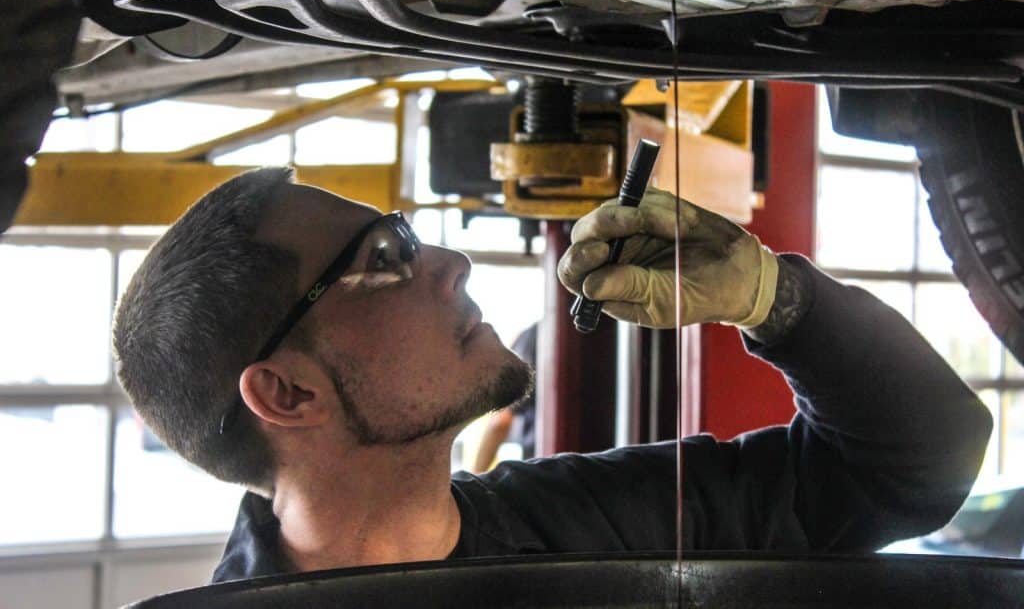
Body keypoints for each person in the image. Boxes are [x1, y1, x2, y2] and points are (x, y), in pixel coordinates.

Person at [111, 168, 991, 583]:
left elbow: (912, 467)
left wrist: (774, 297)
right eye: (381, 259)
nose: (449, 262)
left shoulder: (592, 520)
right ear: (286, 392)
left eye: (409, 234)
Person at [471, 323, 536, 473]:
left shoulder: (535, 336)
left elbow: (500, 423)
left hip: (548, 467)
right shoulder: (599, 327)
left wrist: (474, 477)